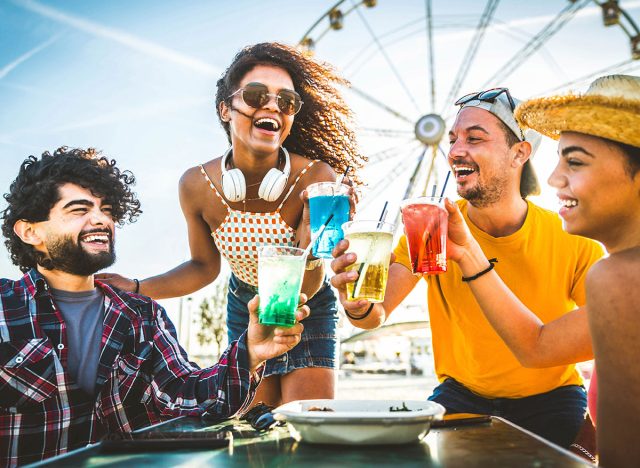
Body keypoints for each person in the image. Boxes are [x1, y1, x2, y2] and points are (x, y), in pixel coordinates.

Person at [330, 87, 605, 448]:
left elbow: (606, 336)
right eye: (454, 140)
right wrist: (357, 303)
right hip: (462, 397)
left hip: (552, 399)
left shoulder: (572, 238)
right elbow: (374, 314)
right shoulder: (429, 227)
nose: (456, 151)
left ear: (520, 153)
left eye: (475, 138)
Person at [0, 147, 309, 465]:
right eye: (79, 210)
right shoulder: (4, 309)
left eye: (107, 210)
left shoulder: (142, 316)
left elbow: (189, 397)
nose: (101, 220)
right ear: (30, 231)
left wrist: (251, 352)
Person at [97, 42, 364, 407]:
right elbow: (204, 267)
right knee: (255, 426)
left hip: (308, 304)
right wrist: (137, 287)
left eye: (286, 101)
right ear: (226, 109)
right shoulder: (196, 185)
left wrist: (311, 232)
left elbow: (308, 282)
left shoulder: (316, 177)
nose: (272, 106)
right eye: (256, 96)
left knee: (308, 423)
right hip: (245, 303)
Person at [436, 74, 640, 467]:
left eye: (575, 161)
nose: (552, 178)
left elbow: (535, 349)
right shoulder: (614, 275)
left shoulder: (618, 279)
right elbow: (539, 346)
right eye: (560, 157)